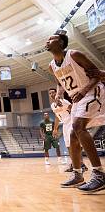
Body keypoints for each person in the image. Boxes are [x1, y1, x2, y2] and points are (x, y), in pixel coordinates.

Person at [47, 33, 105, 192]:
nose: (47, 41)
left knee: (78, 126)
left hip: (92, 92)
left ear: (60, 43)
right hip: (77, 98)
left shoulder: (74, 55)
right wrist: (59, 93)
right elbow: (59, 82)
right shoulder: (51, 65)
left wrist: (84, 90)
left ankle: (99, 174)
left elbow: (97, 74)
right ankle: (78, 174)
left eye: (51, 39)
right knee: (73, 134)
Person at [49, 88, 88, 172]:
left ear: (56, 93)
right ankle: (74, 164)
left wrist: (76, 122)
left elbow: (73, 109)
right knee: (68, 145)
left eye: (53, 92)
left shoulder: (63, 101)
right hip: (64, 124)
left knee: (74, 144)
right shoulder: (52, 105)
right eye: (50, 93)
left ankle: (81, 164)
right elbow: (57, 117)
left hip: (71, 122)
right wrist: (55, 129)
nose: (52, 94)